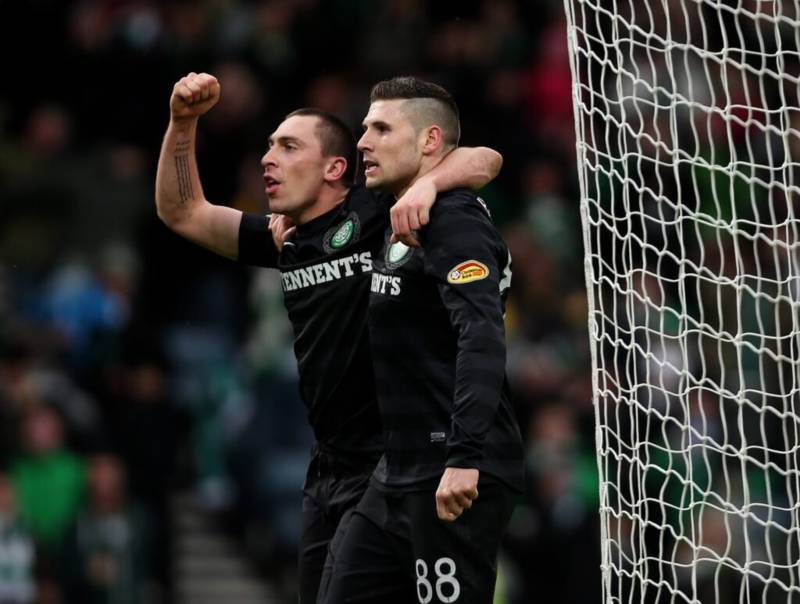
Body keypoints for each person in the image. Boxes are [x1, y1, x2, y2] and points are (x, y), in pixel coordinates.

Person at [154, 72, 502, 603]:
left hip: (392, 462)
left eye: (288, 146)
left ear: (336, 168)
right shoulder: (287, 239)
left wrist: (430, 183)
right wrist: (183, 123)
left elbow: (484, 159)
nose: (267, 158)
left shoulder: (378, 215)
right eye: (268, 146)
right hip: (327, 468)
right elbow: (183, 213)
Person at [318, 76, 524, 603]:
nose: (362, 141)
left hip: (452, 474)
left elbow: (481, 336)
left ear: (429, 141)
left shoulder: (453, 221)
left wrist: (463, 457)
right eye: (364, 128)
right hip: (398, 471)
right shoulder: (401, 212)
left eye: (381, 128)